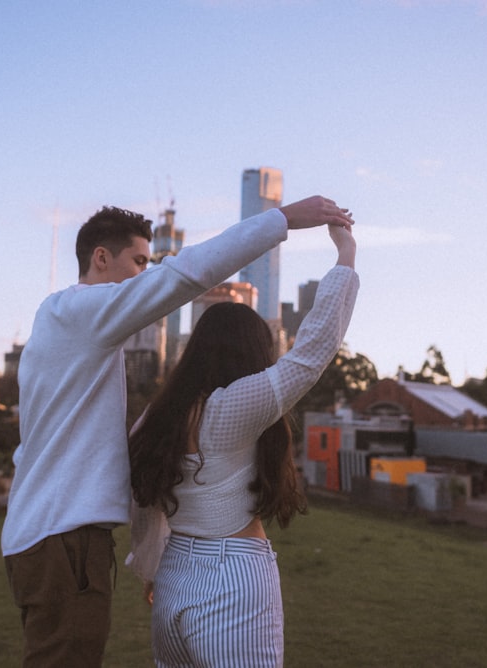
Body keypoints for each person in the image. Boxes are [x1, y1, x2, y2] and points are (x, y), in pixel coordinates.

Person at [1, 196, 353, 667]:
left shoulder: (86, 346)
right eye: (140, 262)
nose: (147, 275)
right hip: (71, 540)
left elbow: (131, 489)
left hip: (62, 541)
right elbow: (186, 278)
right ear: (101, 258)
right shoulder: (82, 313)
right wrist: (287, 221)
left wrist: (151, 565)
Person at [127, 223, 358, 667]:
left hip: (172, 576)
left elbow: (144, 504)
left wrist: (152, 568)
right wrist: (345, 254)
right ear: (252, 353)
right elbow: (314, 351)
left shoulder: (159, 417)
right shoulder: (230, 410)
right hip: (231, 578)